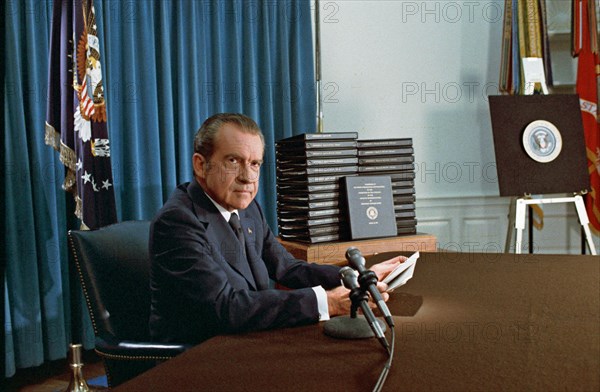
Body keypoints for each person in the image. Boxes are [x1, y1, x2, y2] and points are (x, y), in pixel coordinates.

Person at [149, 113, 404, 344]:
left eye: (255, 164)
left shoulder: (247, 207)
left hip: (249, 339)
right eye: (233, 161)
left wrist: (355, 277)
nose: (247, 177)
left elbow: (288, 268)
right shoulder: (177, 222)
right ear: (201, 165)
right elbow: (226, 307)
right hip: (198, 357)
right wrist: (327, 302)